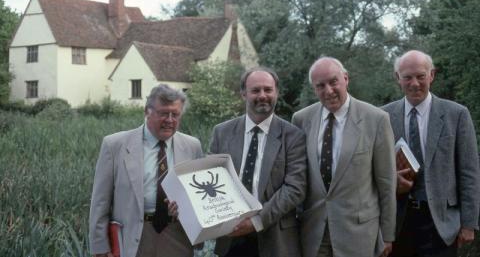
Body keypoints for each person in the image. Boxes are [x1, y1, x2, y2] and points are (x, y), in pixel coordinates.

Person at [291, 57, 396, 257]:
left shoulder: (376, 119)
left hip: (359, 235)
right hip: (314, 234)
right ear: (314, 89)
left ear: (346, 79)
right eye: (320, 85)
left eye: (333, 82)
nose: (328, 90)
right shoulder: (301, 120)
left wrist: (388, 234)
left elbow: (386, 182)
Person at [382, 50, 480, 256]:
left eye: (421, 76)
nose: (415, 83)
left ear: (432, 75)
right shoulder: (382, 117)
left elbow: (469, 173)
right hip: (398, 223)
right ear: (397, 78)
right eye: (407, 77)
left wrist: (469, 224)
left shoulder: (457, 114)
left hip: (441, 223)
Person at [89, 84, 203, 257]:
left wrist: (186, 208)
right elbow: (100, 202)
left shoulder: (192, 146)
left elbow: (199, 197)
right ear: (147, 111)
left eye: (175, 114)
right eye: (164, 113)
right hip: (134, 236)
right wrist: (100, 247)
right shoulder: (115, 145)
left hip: (177, 236)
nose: (170, 120)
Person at [210, 67, 307, 257]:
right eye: (255, 90)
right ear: (243, 94)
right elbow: (212, 178)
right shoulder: (222, 133)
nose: (262, 95)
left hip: (275, 239)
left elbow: (296, 188)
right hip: (231, 236)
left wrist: (256, 222)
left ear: (276, 92)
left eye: (268, 90)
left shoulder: (293, 136)